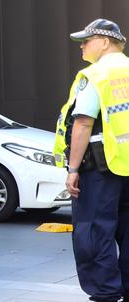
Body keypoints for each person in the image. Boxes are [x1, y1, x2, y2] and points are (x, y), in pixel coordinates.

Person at [54, 18, 129, 302]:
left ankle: (106, 292)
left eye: (86, 40)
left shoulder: (95, 75)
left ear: (105, 41)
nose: (82, 46)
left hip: (99, 168)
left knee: (94, 230)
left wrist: (73, 169)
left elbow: (83, 124)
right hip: (125, 164)